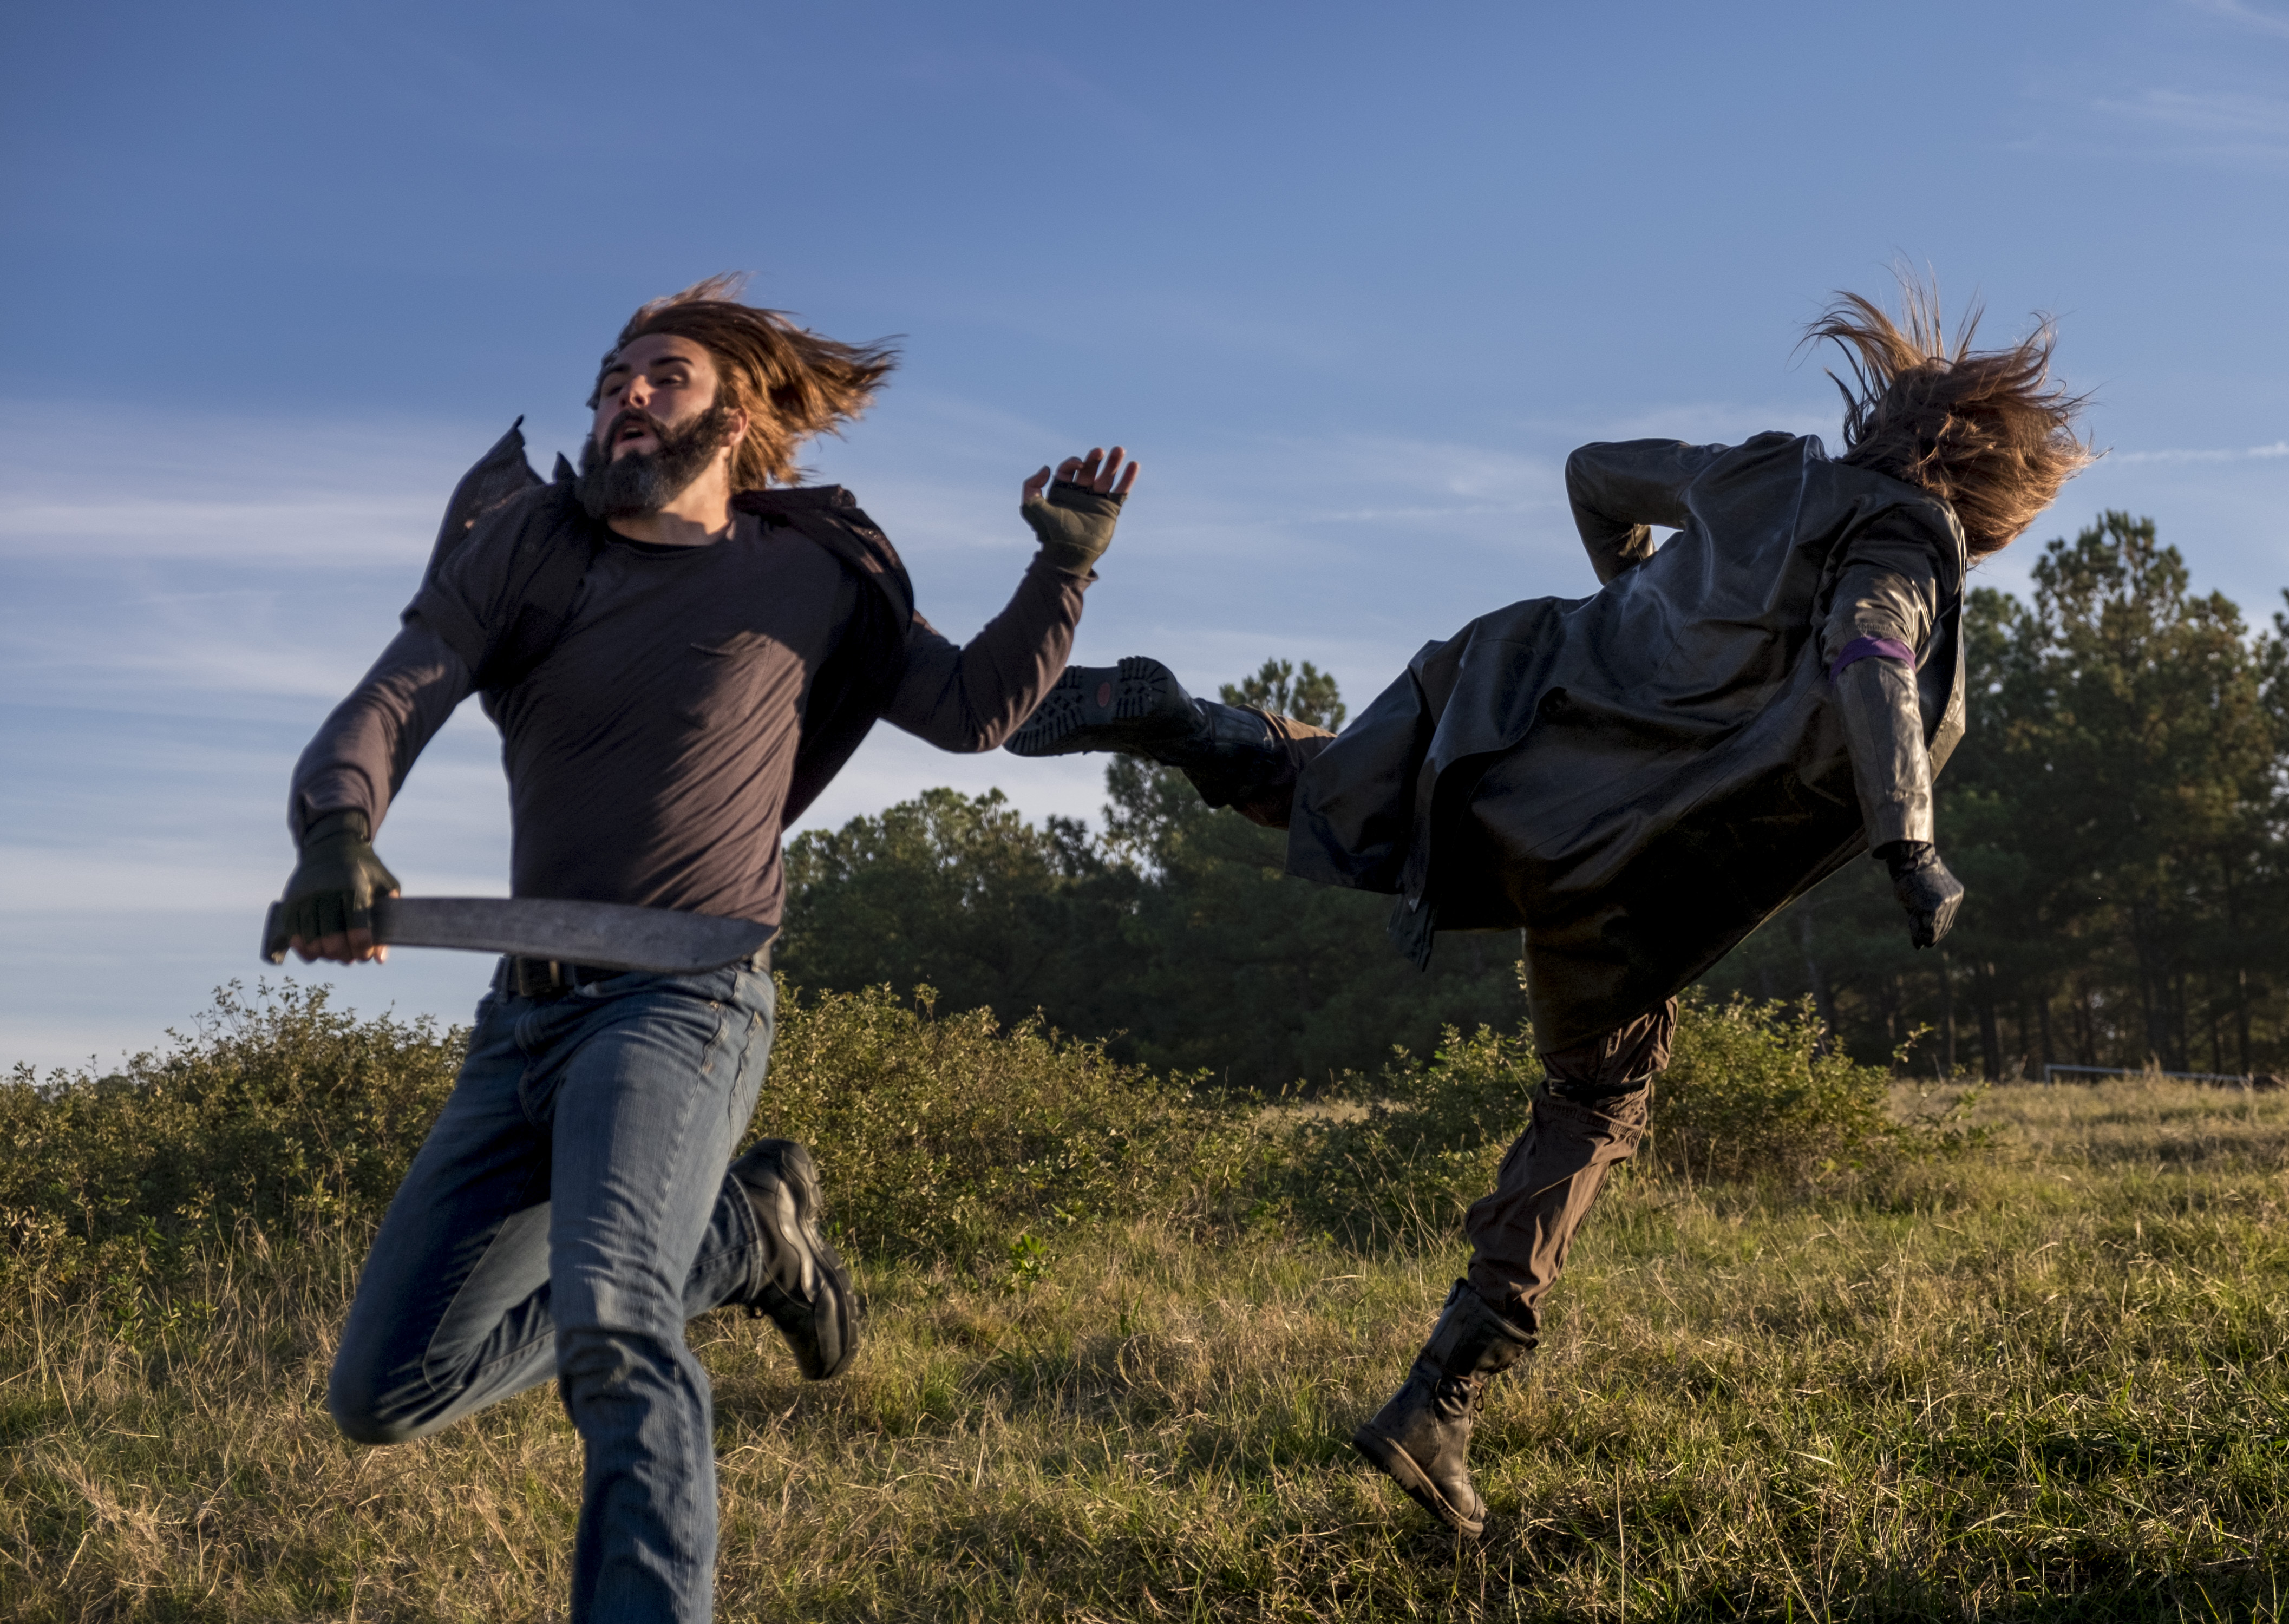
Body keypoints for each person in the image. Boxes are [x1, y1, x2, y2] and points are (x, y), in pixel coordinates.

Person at [1008, 282, 2089, 1537]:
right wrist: (1912, 844)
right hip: (1617, 848)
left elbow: (1592, 472)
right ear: (1990, 491)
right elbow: (1872, 654)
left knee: (1326, 790)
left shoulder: (1755, 475)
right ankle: (1439, 1403)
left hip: (1504, 722)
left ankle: (1187, 724)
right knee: (1597, 1099)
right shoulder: (1904, 540)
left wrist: (1632, 604)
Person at [273, 274, 1136, 1622]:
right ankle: (747, 1239)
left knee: (615, 1323)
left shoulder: (808, 574)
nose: (624, 397)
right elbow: (401, 687)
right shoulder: (531, 551)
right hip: (525, 1015)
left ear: (739, 411)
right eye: (610, 381)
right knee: (386, 1391)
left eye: (659, 376)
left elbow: (971, 711)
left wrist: (1063, 567)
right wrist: (336, 828)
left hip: (686, 1000)